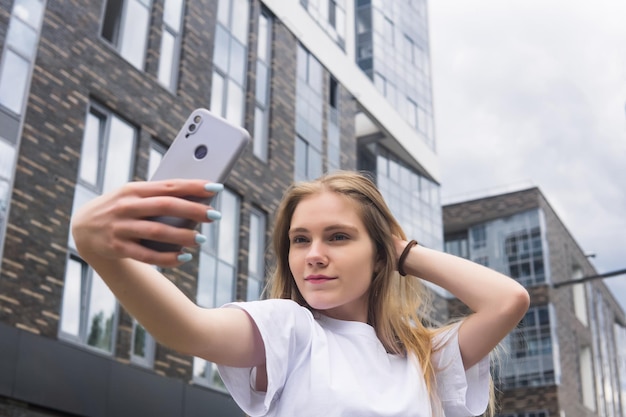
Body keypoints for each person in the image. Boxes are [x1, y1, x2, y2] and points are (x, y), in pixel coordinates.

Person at [71, 170, 530, 417]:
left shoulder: (426, 358)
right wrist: (101, 251)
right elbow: (189, 329)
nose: (313, 254)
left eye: (338, 237)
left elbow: (507, 300)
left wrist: (401, 251)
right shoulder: (290, 329)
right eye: (300, 239)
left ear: (379, 256)